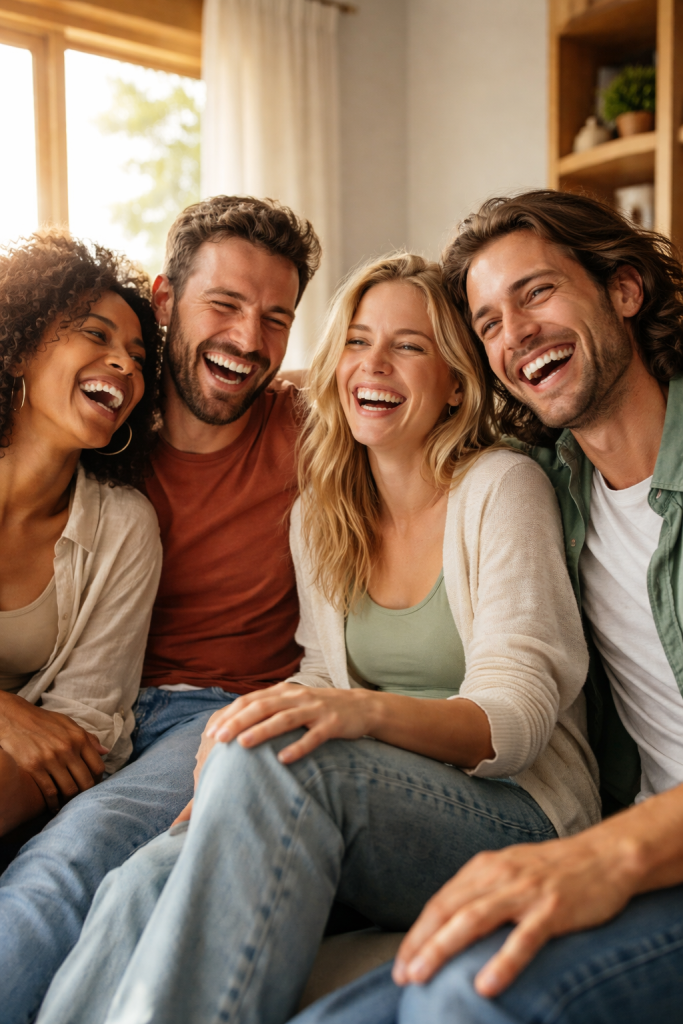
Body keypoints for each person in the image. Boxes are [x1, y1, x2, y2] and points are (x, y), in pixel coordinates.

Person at [37, 252, 600, 1024]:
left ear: (457, 381)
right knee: (143, 874)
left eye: (408, 345)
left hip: (516, 811)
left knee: (284, 759)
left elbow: (517, 718)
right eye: (357, 341)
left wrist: (353, 715)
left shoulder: (501, 487)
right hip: (377, 800)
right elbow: (321, 672)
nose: (373, 364)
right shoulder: (323, 511)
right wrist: (242, 725)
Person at [289, 190, 683, 1024]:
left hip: (641, 853)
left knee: (462, 996)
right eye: (489, 322)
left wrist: (602, 855)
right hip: (638, 841)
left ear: (622, 290)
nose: (516, 334)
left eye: (536, 292)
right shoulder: (553, 486)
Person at [0, 196, 322, 1024]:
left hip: (205, 713)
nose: (249, 341)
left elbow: (423, 405)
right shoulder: (98, 426)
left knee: (70, 860)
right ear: (167, 300)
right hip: (73, 705)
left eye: (276, 318)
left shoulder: (312, 430)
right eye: (224, 304)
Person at [0, 230, 163, 836]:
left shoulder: (125, 527)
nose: (124, 363)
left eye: (139, 359)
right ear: (18, 349)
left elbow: (82, 733)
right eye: (96, 334)